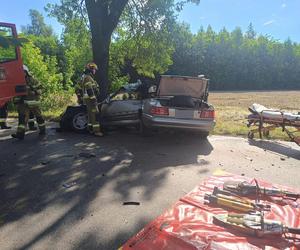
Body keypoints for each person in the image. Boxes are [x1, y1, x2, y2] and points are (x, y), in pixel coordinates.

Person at [12, 65, 45, 139]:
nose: (22, 73)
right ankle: (20, 134)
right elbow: (16, 94)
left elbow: (41, 89)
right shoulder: (18, 81)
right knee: (22, 119)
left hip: (34, 102)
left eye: (23, 72)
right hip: (24, 103)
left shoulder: (34, 80)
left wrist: (35, 91)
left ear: (26, 72)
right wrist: (16, 102)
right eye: (20, 72)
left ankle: (43, 130)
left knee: (39, 117)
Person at [77, 62, 103, 137]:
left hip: (87, 99)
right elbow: (89, 90)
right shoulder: (88, 78)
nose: (95, 71)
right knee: (95, 114)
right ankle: (96, 131)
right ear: (91, 70)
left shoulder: (84, 77)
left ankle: (90, 129)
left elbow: (78, 88)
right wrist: (94, 100)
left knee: (90, 114)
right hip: (90, 99)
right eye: (94, 69)